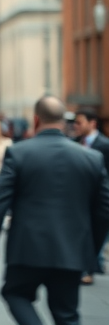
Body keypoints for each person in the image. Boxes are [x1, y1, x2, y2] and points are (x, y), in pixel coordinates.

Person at [0, 96, 109, 325]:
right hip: (71, 250)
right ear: (64, 120)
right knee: (66, 314)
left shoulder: (18, 153)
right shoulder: (92, 158)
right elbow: (103, 210)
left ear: (36, 119)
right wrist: (91, 249)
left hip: (27, 249)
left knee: (15, 294)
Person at [71, 108, 109, 284]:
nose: (75, 126)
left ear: (92, 123)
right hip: (78, 198)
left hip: (98, 198)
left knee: (96, 232)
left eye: (79, 122)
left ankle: (90, 268)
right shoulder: (74, 143)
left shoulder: (105, 145)